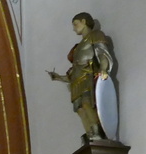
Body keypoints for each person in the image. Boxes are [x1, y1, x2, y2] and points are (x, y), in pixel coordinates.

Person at [48, 12, 116, 141]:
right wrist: (58, 77)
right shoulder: (77, 48)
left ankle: (97, 131)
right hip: (77, 80)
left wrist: (103, 68)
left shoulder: (95, 35)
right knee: (79, 109)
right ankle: (89, 134)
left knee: (87, 104)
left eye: (75, 24)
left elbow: (102, 53)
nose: (74, 29)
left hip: (88, 75)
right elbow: (73, 71)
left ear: (84, 22)